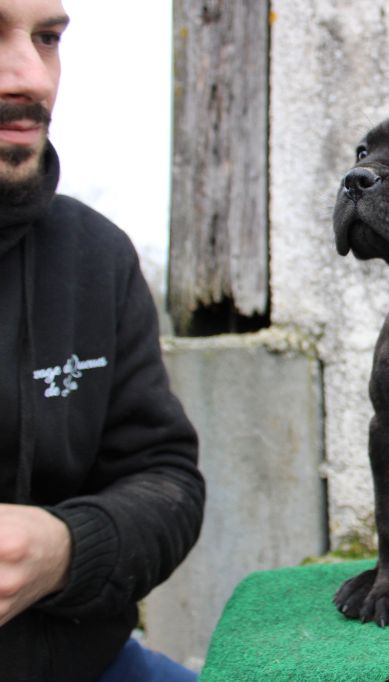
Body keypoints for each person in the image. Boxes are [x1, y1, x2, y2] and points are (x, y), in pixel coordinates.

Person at [0, 1, 205, 680]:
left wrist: (62, 547)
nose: (33, 77)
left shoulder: (94, 256)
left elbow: (166, 481)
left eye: (48, 38)